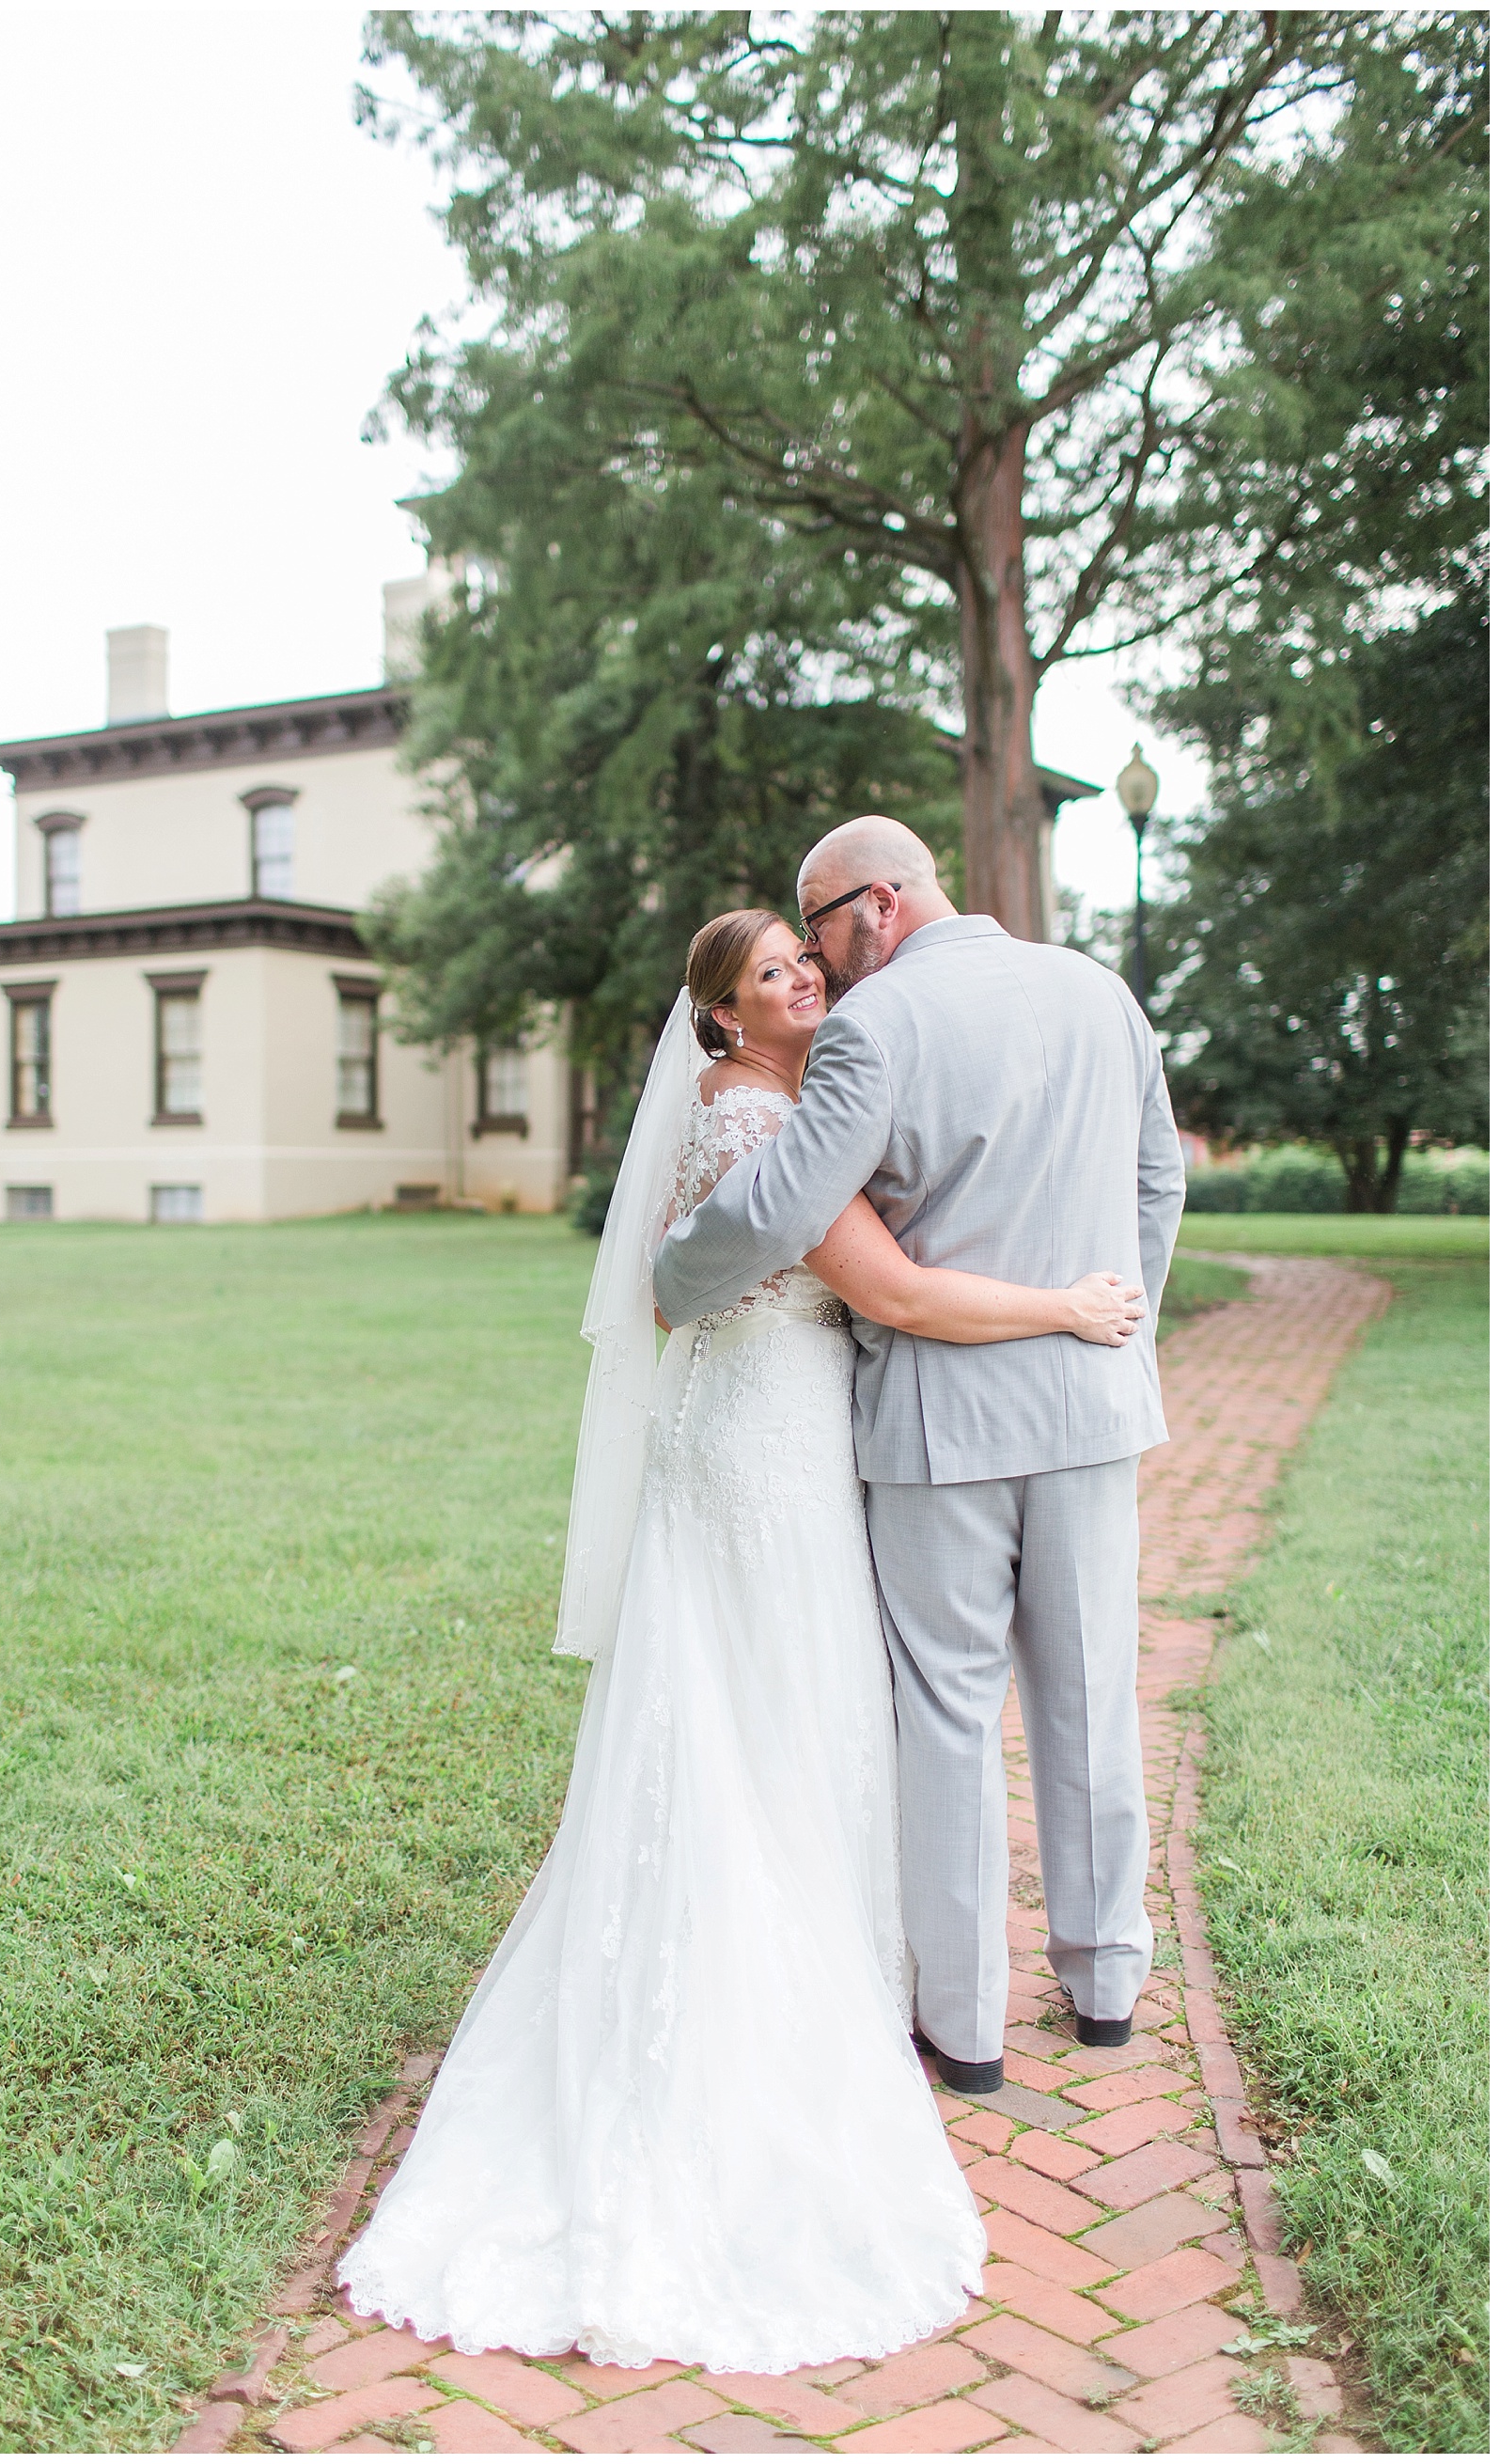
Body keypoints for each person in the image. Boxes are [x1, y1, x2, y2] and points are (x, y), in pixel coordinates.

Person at [338, 905, 1150, 2370]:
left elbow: (696, 1276)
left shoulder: (750, 1107)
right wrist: (1070, 1300)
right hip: (769, 1450)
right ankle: (787, 1992)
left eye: (809, 961)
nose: (809, 979)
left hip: (748, 1433)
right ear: (721, 1017)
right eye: (777, 971)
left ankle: (839, 1955)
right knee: (783, 1709)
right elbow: (891, 1288)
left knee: (755, 1704)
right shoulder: (766, 1122)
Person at [656, 821, 1188, 2094]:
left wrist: (667, 1271)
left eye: (823, 927)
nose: (825, 965)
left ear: (879, 905)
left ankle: (965, 2025)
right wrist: (1114, 1333)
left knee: (948, 1719)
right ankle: (1106, 1981)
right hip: (1084, 1409)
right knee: (1090, 1696)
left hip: (938, 1427)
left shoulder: (877, 1029)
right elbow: (1157, 1181)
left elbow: (786, 1206)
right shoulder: (1101, 994)